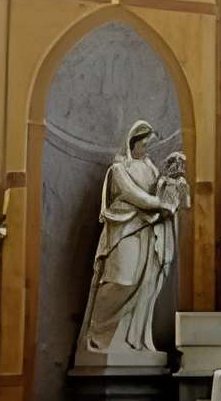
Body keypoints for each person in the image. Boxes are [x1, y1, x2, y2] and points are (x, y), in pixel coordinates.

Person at [74, 121, 183, 360]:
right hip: (124, 230)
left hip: (147, 231)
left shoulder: (151, 168)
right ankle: (96, 335)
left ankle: (128, 340)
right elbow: (134, 195)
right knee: (122, 280)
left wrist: (172, 191)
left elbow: (160, 190)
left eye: (148, 145)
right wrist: (160, 204)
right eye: (143, 144)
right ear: (132, 143)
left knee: (143, 284)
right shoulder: (119, 169)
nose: (146, 149)